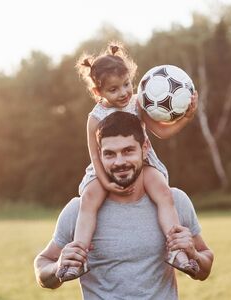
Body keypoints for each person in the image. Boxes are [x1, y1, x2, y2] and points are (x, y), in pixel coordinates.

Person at [57, 41, 200, 281]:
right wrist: (105, 182)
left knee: (164, 194)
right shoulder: (95, 118)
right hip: (105, 168)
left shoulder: (138, 102)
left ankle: (177, 250)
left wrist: (186, 117)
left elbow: (161, 132)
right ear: (97, 92)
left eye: (127, 85)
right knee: (89, 199)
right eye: (114, 89)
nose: (123, 93)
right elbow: (95, 154)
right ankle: (77, 258)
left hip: (142, 163)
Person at [34, 111, 214, 299]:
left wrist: (193, 254)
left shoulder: (175, 201)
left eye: (128, 151)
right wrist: (57, 267)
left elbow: (204, 270)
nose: (120, 162)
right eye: (110, 154)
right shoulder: (78, 211)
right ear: (99, 155)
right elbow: (43, 267)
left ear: (145, 148)